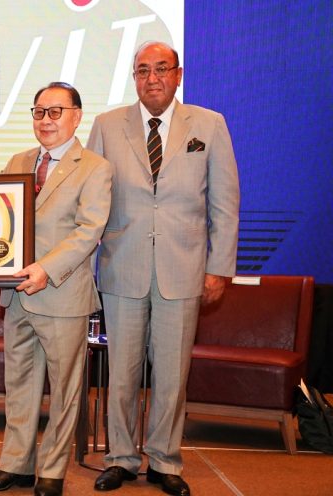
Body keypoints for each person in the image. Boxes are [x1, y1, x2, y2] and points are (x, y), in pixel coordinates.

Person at [87, 41, 240, 496]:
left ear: (178, 74)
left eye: (161, 69)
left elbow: (225, 203)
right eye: (142, 71)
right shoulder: (107, 125)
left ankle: (164, 461)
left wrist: (220, 268)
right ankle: (120, 458)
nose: (152, 78)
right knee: (122, 374)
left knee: (172, 374)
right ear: (134, 77)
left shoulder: (210, 125)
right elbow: (90, 199)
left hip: (184, 268)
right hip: (122, 266)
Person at [0, 82, 112, 496]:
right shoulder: (18, 161)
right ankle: (15, 465)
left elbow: (89, 231)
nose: (45, 120)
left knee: (65, 390)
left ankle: (51, 471)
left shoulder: (95, 168)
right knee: (19, 385)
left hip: (62, 295)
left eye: (55, 112)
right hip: (17, 294)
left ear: (76, 116)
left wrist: (45, 270)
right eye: (38, 112)